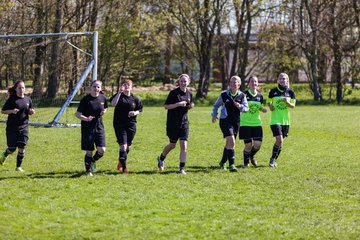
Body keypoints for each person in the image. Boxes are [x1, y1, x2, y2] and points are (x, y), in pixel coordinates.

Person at [157, 74, 194, 175]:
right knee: (172, 145)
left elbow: (190, 105)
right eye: (181, 81)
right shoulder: (173, 93)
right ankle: (161, 158)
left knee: (184, 145)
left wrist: (191, 106)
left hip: (184, 123)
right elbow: (166, 106)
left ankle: (181, 168)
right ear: (179, 82)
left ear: (188, 82)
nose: (183, 83)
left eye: (185, 81)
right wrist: (178, 104)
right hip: (173, 123)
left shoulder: (189, 94)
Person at [211, 76, 248, 172]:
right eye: (232, 82)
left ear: (239, 84)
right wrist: (214, 115)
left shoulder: (242, 96)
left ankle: (222, 162)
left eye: (235, 82)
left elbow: (246, 109)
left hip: (236, 122)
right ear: (229, 84)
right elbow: (216, 106)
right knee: (231, 141)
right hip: (225, 120)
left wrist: (240, 106)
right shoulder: (224, 94)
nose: (233, 84)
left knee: (229, 143)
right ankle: (232, 165)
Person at [0, 80, 35, 172]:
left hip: (24, 127)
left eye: (23, 87)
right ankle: (4, 154)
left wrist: (32, 112)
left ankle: (18, 167)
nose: (21, 89)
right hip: (12, 128)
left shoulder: (28, 99)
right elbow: (3, 111)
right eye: (19, 88)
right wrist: (11, 111)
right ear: (15, 89)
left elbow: (30, 110)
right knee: (12, 148)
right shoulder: (12, 99)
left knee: (22, 146)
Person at [110, 79, 143, 174]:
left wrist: (135, 112)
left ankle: (121, 160)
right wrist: (119, 93)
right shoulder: (118, 96)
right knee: (123, 145)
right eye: (124, 84)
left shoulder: (135, 99)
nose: (126, 86)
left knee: (128, 146)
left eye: (128, 85)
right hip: (119, 124)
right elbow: (113, 104)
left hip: (131, 124)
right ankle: (124, 168)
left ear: (131, 87)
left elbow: (140, 109)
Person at [75, 80, 108, 176]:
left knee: (102, 149)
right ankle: (88, 170)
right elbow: (77, 114)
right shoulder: (85, 100)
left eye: (98, 87)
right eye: (94, 86)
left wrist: (104, 112)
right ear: (90, 87)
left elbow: (105, 107)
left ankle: (93, 161)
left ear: (100, 88)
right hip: (87, 128)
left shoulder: (103, 98)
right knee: (89, 151)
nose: (96, 89)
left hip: (99, 126)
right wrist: (86, 118)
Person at [267, 73, 296, 167]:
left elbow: (293, 106)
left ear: (287, 80)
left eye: (284, 79)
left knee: (281, 142)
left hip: (286, 121)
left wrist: (287, 102)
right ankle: (272, 160)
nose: (283, 80)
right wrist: (270, 106)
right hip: (275, 120)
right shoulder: (273, 91)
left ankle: (274, 159)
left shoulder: (291, 92)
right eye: (281, 78)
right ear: (278, 80)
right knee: (279, 140)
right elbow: (269, 102)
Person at [239, 76, 267, 168]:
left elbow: (260, 106)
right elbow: (239, 106)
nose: (254, 83)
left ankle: (251, 155)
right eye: (252, 81)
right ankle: (246, 162)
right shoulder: (243, 95)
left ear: (257, 83)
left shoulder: (260, 96)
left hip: (257, 123)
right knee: (248, 145)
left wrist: (263, 109)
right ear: (248, 83)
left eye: (255, 82)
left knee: (257, 145)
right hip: (245, 123)